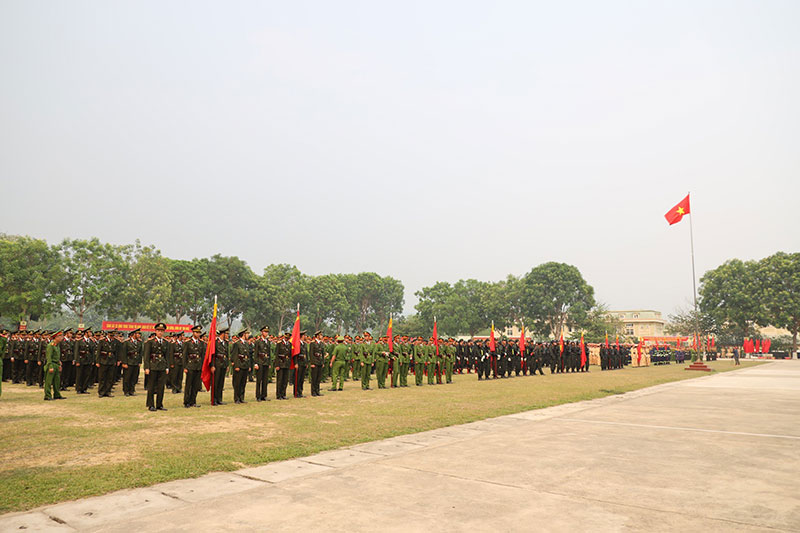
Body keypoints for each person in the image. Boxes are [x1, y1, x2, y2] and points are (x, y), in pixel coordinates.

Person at [143, 322, 170, 411]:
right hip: (153, 366)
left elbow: (167, 356)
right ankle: (151, 405)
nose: (160, 333)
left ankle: (159, 404)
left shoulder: (166, 343)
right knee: (151, 386)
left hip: (162, 366)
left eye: (162, 331)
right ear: (155, 331)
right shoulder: (150, 342)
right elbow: (146, 356)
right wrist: (146, 367)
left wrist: (167, 367)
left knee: (161, 386)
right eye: (158, 331)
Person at [182, 325, 205, 407]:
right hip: (190, 365)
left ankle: (193, 401)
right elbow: (184, 355)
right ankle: (186, 401)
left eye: (199, 332)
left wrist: (202, 366)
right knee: (189, 385)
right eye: (196, 332)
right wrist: (185, 367)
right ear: (193, 333)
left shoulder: (202, 343)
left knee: (195, 385)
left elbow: (203, 355)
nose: (198, 334)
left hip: (198, 366)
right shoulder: (187, 343)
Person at [43, 331, 66, 401]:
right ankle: (47, 395)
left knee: (57, 381)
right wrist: (50, 366)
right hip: (51, 364)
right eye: (60, 336)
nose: (62, 338)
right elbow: (48, 357)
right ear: (56, 337)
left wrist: (59, 364)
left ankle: (57, 394)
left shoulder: (57, 345)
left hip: (56, 364)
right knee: (48, 381)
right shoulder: (51, 345)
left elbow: (57, 356)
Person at [230, 328, 252, 403]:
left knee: (243, 382)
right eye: (247, 334)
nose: (248, 335)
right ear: (243, 334)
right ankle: (236, 398)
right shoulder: (237, 344)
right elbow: (235, 355)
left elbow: (248, 356)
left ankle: (242, 397)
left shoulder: (246, 343)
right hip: (239, 365)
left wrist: (248, 365)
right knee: (237, 383)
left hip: (245, 365)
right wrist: (236, 366)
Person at [121, 329, 142, 396]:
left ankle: (132, 390)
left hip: (136, 362)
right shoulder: (126, 342)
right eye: (138, 334)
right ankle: (126, 391)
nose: (139, 335)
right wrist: (124, 363)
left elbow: (140, 353)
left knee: (134, 377)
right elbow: (123, 353)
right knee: (127, 377)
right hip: (129, 361)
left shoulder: (139, 342)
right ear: (133, 334)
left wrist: (140, 361)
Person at [211, 328, 229, 405]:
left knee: (221, 382)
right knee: (216, 382)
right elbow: (212, 355)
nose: (228, 335)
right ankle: (214, 399)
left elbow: (227, 354)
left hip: (223, 364)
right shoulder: (215, 342)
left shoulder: (226, 343)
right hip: (217, 364)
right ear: (222, 334)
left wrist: (227, 365)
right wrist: (212, 365)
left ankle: (219, 399)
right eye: (227, 334)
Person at [253, 326, 271, 401]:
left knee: (265, 380)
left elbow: (269, 353)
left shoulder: (268, 341)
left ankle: (264, 395)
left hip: (266, 362)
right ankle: (258, 396)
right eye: (265, 332)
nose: (266, 333)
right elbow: (256, 353)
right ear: (261, 332)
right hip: (260, 362)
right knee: (259, 380)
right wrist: (256, 363)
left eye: (267, 332)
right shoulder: (258, 341)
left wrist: (269, 363)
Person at [274, 331, 292, 399]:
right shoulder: (279, 344)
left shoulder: (289, 344)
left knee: (285, 380)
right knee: (280, 380)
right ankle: (278, 395)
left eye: (288, 338)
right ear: (284, 337)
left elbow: (289, 355)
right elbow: (276, 355)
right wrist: (277, 365)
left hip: (286, 364)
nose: (287, 339)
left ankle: (283, 394)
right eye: (286, 337)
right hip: (280, 364)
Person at [308, 331, 325, 397]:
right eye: (320, 335)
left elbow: (323, 354)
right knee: (314, 378)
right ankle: (313, 391)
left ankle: (317, 391)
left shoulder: (321, 343)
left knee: (318, 378)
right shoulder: (312, 344)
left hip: (320, 362)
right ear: (317, 336)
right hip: (315, 362)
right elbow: (311, 353)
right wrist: (312, 363)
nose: (321, 336)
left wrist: (323, 362)